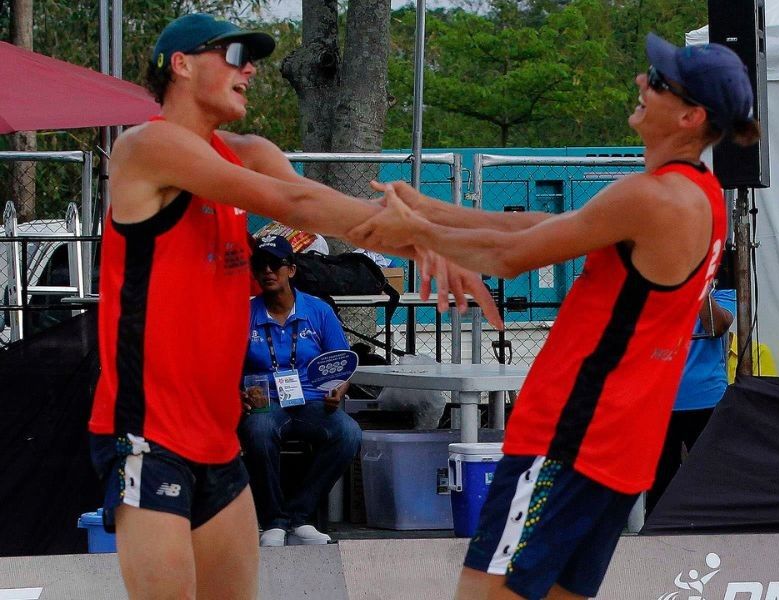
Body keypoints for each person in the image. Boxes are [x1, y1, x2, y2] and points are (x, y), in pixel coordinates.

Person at [86, 12, 499, 600]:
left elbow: (318, 207)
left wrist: (445, 238)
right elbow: (294, 198)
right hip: (148, 437)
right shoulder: (146, 147)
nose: (249, 68)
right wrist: (429, 240)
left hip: (216, 438)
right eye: (232, 56)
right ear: (180, 65)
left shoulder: (247, 151)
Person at [348, 33, 760, 600]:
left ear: (691, 116)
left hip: (571, 433)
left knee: (485, 594)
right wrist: (432, 211)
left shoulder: (652, 197)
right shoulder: (701, 195)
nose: (642, 81)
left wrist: (413, 231)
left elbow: (510, 258)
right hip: (620, 442)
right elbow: (534, 233)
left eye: (658, 81)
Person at [238, 235, 361, 547]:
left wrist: (339, 390)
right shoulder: (243, 314)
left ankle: (300, 517)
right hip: (266, 401)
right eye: (260, 265)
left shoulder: (318, 311)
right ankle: (273, 521)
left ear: (291, 270)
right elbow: (226, 367)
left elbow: (342, 364)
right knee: (258, 430)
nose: (267, 271)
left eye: (275, 264)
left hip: (313, 400)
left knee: (348, 433)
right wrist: (235, 393)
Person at [645, 287, 735, 515]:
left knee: (710, 479)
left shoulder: (723, 292)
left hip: (707, 399)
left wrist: (700, 285)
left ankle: (713, 534)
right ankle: (659, 537)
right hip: (661, 402)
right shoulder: (658, 288)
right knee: (661, 484)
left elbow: (716, 326)